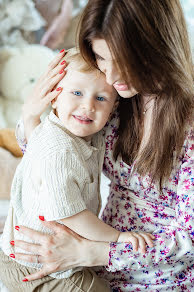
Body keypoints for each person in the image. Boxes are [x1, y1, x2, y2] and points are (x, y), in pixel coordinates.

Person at [1, 0, 194, 291]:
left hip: (160, 274)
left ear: (156, 47)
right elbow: (59, 163)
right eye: (101, 57)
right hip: (92, 261)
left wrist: (91, 251)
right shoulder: (115, 100)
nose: (112, 76)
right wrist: (30, 116)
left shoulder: (187, 128)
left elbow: (188, 241)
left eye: (124, 59)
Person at [0, 48, 154, 292]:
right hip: (37, 267)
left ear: (113, 108)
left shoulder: (79, 134)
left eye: (100, 98)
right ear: (54, 97)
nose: (87, 106)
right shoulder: (60, 148)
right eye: (77, 93)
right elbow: (69, 214)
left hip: (50, 255)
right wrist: (117, 238)